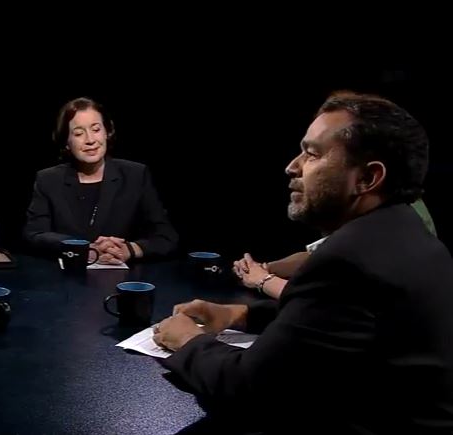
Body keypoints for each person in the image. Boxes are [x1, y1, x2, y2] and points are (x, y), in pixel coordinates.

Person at [153, 92, 453, 434]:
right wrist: (240, 314)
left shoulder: (349, 259)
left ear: (367, 178)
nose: (292, 166)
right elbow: (330, 322)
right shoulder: (406, 233)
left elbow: (248, 389)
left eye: (312, 154)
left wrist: (188, 341)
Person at [23, 97, 178, 263]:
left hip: (123, 278)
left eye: (96, 129)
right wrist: (82, 248)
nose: (90, 140)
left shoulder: (135, 175)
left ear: (107, 132)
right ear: (67, 142)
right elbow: (34, 234)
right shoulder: (48, 179)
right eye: (78, 134)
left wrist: (129, 249)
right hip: (65, 278)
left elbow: (166, 236)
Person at [233, 197, 438, 299]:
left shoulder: (389, 221)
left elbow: (320, 301)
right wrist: (267, 267)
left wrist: (263, 280)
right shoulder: (393, 207)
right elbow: (320, 255)